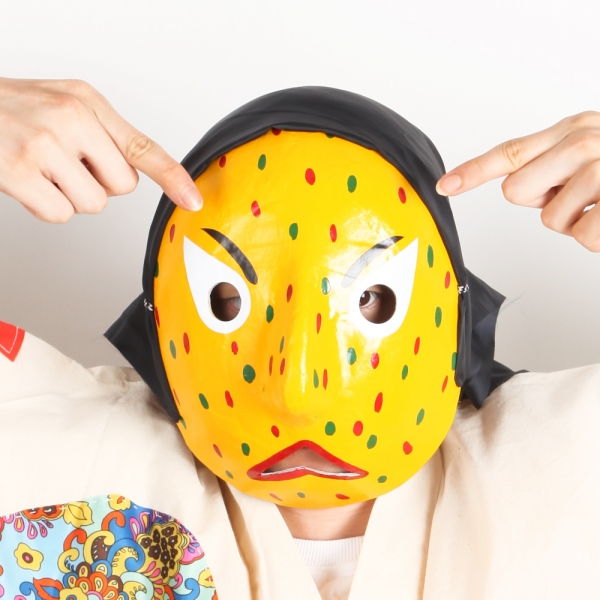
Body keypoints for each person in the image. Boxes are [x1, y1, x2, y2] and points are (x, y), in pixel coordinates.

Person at [0, 78, 599, 600]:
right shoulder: (52, 444)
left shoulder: (570, 458)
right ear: (157, 330)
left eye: (374, 298)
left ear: (458, 321)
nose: (298, 394)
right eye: (226, 300)